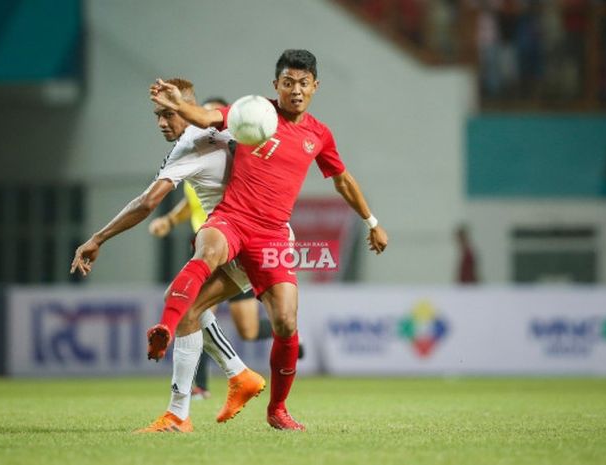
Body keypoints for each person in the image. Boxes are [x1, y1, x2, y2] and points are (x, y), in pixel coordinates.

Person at [146, 49, 389, 431]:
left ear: (315, 87)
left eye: (303, 84)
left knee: (287, 323)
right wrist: (179, 104)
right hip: (232, 220)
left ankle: (277, 410)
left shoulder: (319, 134)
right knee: (201, 268)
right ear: (275, 84)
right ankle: (176, 397)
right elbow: (208, 116)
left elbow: (342, 179)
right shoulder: (254, 111)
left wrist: (371, 220)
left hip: (273, 236)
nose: (296, 90)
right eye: (288, 82)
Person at [70, 78, 266, 433]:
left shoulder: (190, 143)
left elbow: (147, 202)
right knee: (187, 304)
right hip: (265, 236)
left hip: (234, 238)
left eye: (169, 113)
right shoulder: (230, 130)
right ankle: (239, 374)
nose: (162, 122)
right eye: (157, 115)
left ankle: (179, 413)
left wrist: (98, 238)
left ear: (187, 109)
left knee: (184, 305)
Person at [148, 97, 281, 400]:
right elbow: (189, 203)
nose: (204, 121)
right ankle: (205, 384)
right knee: (193, 306)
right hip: (210, 245)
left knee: (236, 325)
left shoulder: (235, 151)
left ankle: (262, 351)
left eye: (210, 116)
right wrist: (169, 221)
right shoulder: (198, 156)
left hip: (237, 242)